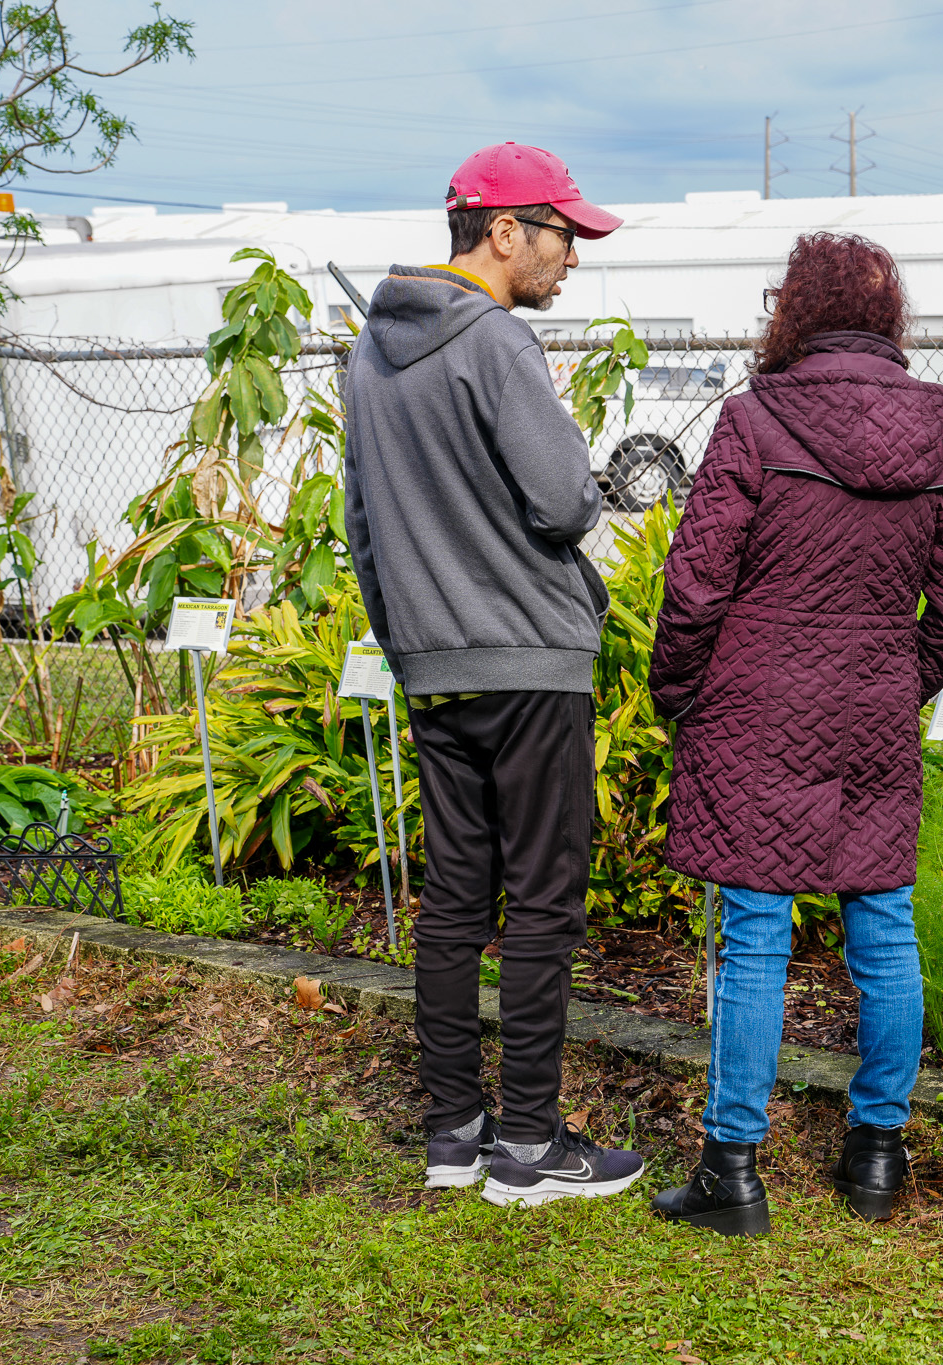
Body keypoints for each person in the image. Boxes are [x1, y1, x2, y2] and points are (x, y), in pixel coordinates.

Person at [646, 232, 943, 1237]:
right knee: (882, 926)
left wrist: (680, 690)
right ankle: (877, 1155)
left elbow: (696, 581)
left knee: (754, 933)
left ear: (793, 311)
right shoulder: (942, 435)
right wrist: (895, 680)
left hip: (756, 705)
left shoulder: (755, 420)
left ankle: (732, 1172)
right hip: (872, 708)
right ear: (889, 319)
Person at [344, 142, 644, 1207]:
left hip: (434, 663)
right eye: (565, 234)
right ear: (504, 230)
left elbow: (362, 523)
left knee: (454, 898)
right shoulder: (497, 340)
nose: (574, 257)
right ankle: (528, 1145)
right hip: (529, 661)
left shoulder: (372, 353)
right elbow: (565, 503)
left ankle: (453, 1132)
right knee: (545, 901)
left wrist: (408, 643)